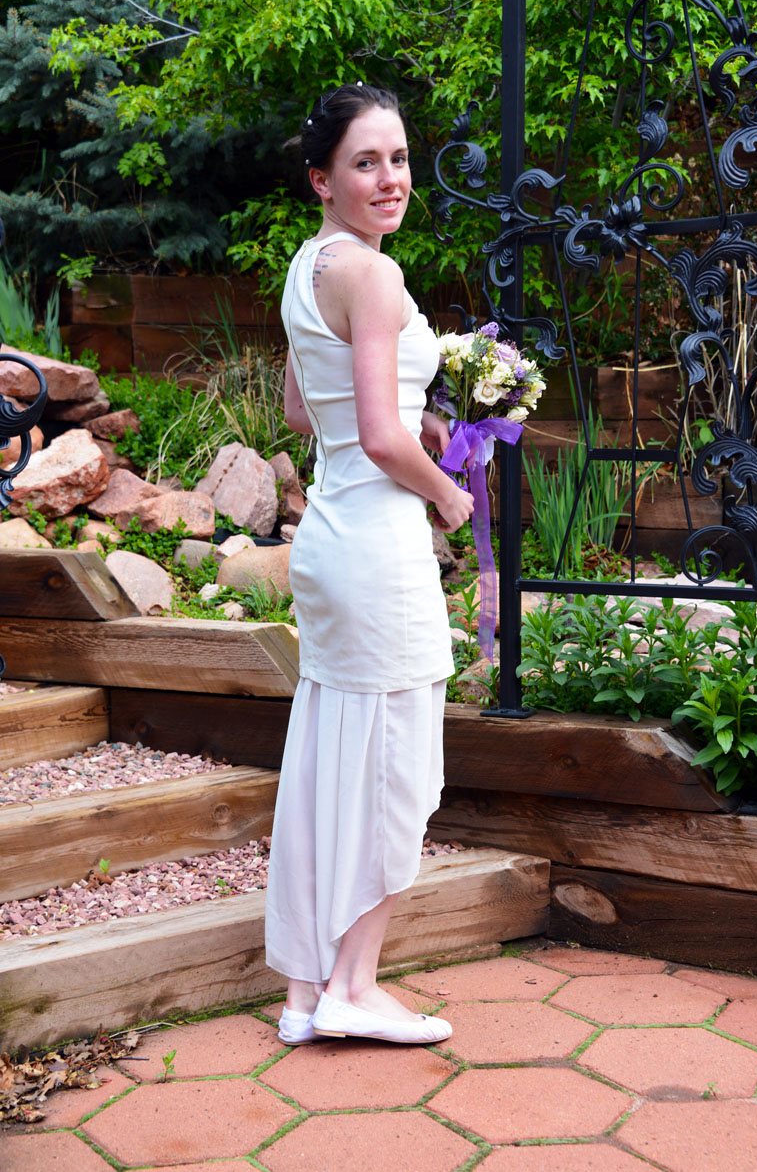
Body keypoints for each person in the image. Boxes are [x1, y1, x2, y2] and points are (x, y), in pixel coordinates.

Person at [264, 82, 474, 1045]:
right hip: (381, 544)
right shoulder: (378, 279)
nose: (389, 178)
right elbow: (386, 441)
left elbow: (314, 416)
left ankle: (307, 990)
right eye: (365, 162)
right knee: (393, 765)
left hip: (330, 537)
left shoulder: (309, 268)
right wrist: (447, 490)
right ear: (323, 178)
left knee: (333, 758)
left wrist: (405, 422)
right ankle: (356, 985)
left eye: (397, 158)